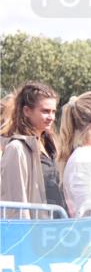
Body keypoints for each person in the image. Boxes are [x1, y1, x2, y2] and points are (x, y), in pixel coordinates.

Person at [1, 81, 65, 216]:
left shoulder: (52, 144)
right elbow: (16, 200)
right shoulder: (16, 148)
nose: (51, 117)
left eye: (54, 111)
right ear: (27, 111)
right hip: (36, 230)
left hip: (59, 226)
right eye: (45, 111)